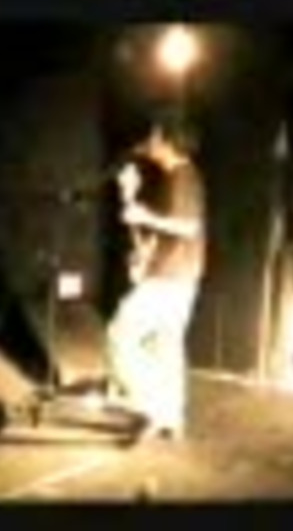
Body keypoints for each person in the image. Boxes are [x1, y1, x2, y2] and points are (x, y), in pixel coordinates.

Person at [106, 126, 206, 442]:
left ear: (168, 143)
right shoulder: (175, 179)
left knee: (120, 334)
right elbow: (164, 233)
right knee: (165, 348)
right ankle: (169, 417)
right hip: (175, 274)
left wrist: (143, 217)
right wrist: (143, 256)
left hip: (170, 278)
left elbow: (188, 227)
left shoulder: (183, 177)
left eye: (155, 136)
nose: (149, 142)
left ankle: (145, 407)